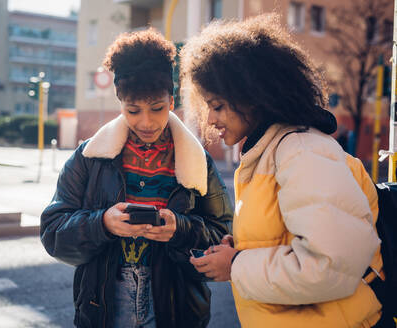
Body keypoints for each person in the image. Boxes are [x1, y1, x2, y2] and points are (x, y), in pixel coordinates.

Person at [181, 14, 384, 328]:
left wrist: (235, 265)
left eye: (218, 105)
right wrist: (240, 250)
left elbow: (329, 267)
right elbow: (286, 238)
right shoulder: (267, 154)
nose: (209, 119)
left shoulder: (302, 152)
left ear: (253, 97)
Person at [40, 28, 233, 328]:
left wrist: (178, 229)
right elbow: (52, 232)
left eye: (156, 108)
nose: (146, 122)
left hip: (176, 309)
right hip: (102, 309)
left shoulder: (197, 161)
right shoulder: (89, 157)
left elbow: (224, 235)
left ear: (171, 101)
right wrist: (101, 223)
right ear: (120, 103)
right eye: (133, 110)